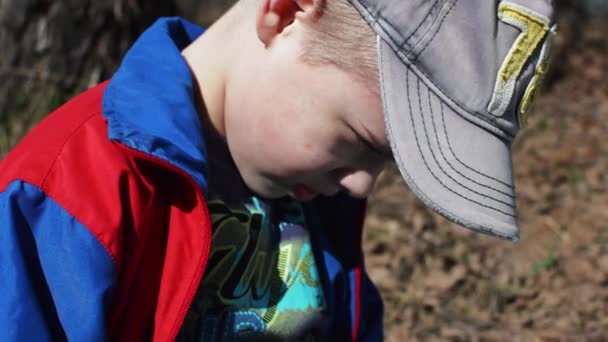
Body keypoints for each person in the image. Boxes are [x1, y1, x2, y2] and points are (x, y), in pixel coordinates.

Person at [0, 0, 556, 340]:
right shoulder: (65, 195)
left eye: (385, 161)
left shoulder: (316, 194)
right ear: (286, 11)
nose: (362, 185)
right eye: (358, 141)